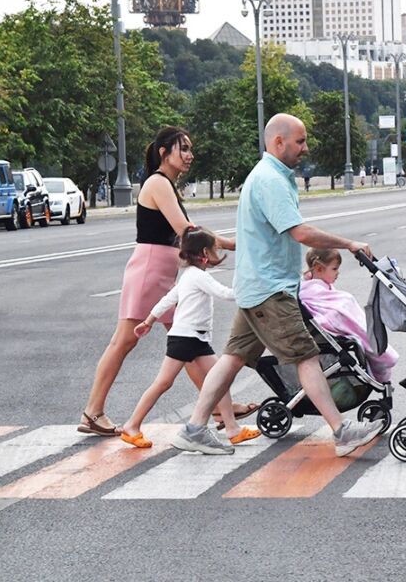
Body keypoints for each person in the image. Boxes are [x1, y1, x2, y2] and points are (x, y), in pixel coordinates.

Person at [170, 113, 382, 456]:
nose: (305, 148)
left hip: (256, 287)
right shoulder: (270, 180)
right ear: (278, 142)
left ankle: (194, 428)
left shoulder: (268, 176)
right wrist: (349, 244)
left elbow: (257, 235)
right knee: (306, 356)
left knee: (232, 359)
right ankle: (342, 432)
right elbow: (300, 232)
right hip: (270, 290)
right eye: (300, 141)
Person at [78, 126, 252, 437]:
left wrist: (226, 244)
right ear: (163, 153)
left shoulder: (167, 185)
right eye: (183, 148)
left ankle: (217, 407)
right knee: (125, 340)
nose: (189, 155)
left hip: (163, 272)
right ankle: (93, 411)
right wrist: (231, 244)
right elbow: (186, 230)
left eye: (190, 149)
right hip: (150, 270)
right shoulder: (158, 183)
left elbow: (187, 231)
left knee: (188, 343)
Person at [120, 226, 260, 449]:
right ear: (205, 253)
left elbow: (168, 299)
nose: (217, 253)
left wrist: (149, 320)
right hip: (185, 338)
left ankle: (233, 429)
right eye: (215, 249)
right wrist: (251, 289)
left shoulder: (189, 276)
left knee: (221, 378)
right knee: (163, 383)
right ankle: (131, 425)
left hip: (195, 339)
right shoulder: (198, 277)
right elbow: (224, 294)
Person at [299, 249, 399, 383]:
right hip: (334, 323)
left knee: (348, 302)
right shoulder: (312, 291)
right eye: (334, 269)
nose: (338, 273)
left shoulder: (309, 286)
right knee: (350, 306)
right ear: (318, 268)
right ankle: (381, 355)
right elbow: (332, 311)